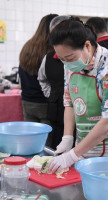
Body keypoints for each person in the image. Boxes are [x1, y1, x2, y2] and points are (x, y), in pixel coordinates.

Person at [48, 17, 108, 174]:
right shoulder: (70, 65)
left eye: (70, 58)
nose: (67, 64)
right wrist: (67, 138)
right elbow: (70, 103)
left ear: (87, 45)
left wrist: (71, 155)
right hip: (85, 148)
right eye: (62, 59)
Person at [19, 14, 57, 127]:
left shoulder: (27, 46)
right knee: (47, 141)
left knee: (31, 138)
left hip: (27, 101)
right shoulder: (52, 49)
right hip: (45, 103)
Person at [38, 15, 71, 149]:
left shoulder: (81, 56)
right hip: (56, 112)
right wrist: (51, 95)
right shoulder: (49, 58)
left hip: (80, 117)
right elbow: (42, 78)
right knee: (56, 147)